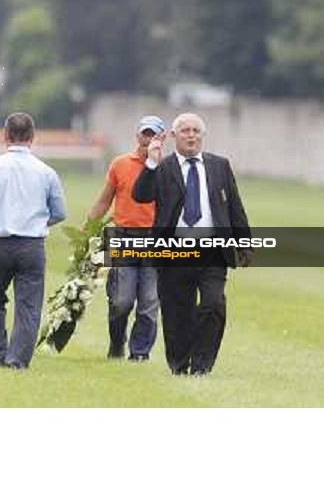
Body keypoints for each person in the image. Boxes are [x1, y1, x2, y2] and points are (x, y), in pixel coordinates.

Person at [132, 112, 252, 376]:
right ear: (173, 136)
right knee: (177, 313)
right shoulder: (163, 168)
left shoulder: (220, 165)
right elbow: (140, 195)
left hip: (213, 252)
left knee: (213, 304)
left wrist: (245, 244)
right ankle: (179, 364)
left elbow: (235, 207)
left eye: (196, 131)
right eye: (185, 130)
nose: (191, 135)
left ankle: (202, 366)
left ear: (202, 135)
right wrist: (151, 163)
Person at [0, 112, 67, 370]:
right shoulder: (47, 172)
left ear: (5, 135)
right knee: (28, 306)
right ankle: (17, 360)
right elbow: (60, 213)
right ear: (32, 137)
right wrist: (40, 223)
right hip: (32, 246)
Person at [87, 115, 165, 362]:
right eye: (145, 134)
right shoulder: (120, 164)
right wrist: (87, 229)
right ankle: (116, 341)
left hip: (155, 239)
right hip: (122, 236)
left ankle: (140, 352)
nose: (148, 139)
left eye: (153, 135)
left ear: (162, 139)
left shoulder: (169, 168)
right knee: (120, 300)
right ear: (137, 136)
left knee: (150, 302)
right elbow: (104, 200)